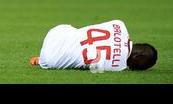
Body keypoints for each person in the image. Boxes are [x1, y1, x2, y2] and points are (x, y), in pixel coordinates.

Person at [29, 20, 157, 72]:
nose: (135, 69)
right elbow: (91, 68)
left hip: (55, 33)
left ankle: (40, 59)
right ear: (137, 56)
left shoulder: (120, 24)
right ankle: (40, 60)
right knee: (78, 59)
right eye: (141, 66)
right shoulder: (118, 67)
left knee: (75, 32)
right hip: (51, 60)